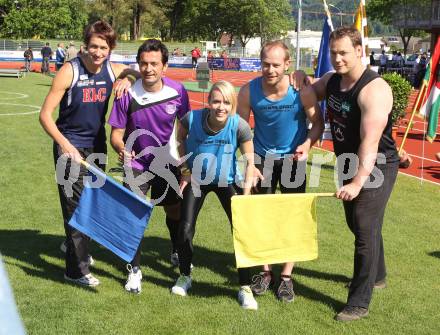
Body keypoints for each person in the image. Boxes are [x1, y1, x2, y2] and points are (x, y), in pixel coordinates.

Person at [310, 26, 399, 321]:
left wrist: (359, 181)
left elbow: (370, 143)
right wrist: (298, 81)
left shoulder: (375, 89)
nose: (337, 59)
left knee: (363, 224)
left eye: (344, 53)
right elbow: (311, 92)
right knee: (359, 223)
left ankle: (358, 302)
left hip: (377, 164)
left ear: (359, 51)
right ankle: (378, 274)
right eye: (334, 53)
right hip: (346, 161)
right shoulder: (332, 81)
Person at [39, 20, 136, 287]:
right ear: (86, 45)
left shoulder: (112, 69)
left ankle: (75, 249)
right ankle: (76, 271)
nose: (97, 52)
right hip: (69, 147)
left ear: (111, 48)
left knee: (90, 204)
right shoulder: (69, 70)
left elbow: (135, 72)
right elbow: (45, 115)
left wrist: (128, 78)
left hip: (97, 147)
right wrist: (64, 144)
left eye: (103, 47)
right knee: (74, 206)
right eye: (93, 46)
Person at [237, 40, 324, 303]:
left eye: (276, 65)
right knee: (263, 216)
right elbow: (241, 131)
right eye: (265, 64)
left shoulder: (302, 91)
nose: (270, 70)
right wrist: (250, 163)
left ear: (287, 65)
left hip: (292, 161)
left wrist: (307, 145)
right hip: (262, 159)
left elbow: (318, 123)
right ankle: (265, 273)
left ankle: (286, 277)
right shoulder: (248, 92)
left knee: (292, 218)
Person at [108, 39, 190, 294]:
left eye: (154, 63)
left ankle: (176, 249)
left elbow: (186, 128)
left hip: (168, 163)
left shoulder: (178, 91)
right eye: (143, 63)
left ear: (164, 66)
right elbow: (116, 134)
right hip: (138, 164)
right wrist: (122, 150)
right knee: (134, 214)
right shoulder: (127, 94)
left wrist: (185, 164)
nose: (148, 68)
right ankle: (135, 270)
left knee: (174, 211)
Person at [171, 80, 257, 309]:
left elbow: (250, 162)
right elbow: (178, 139)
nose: (221, 107)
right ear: (208, 102)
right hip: (197, 180)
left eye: (226, 102)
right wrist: (185, 170)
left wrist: (246, 194)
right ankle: (185, 275)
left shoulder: (239, 126)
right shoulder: (191, 118)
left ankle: (245, 287)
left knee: (241, 230)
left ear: (233, 105)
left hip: (227, 182)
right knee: (185, 227)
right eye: (216, 101)